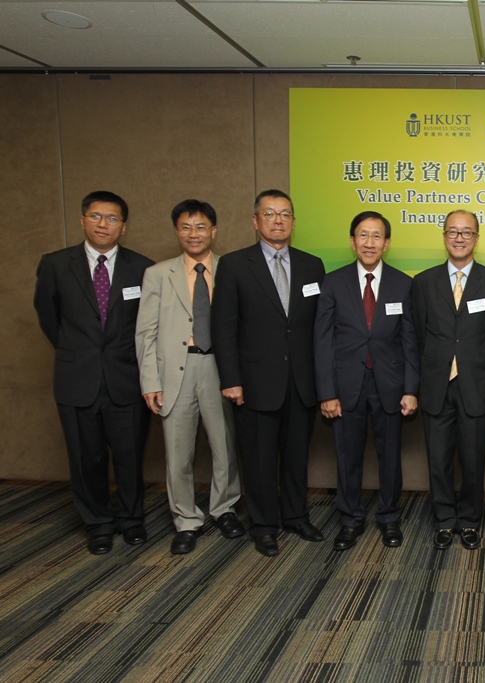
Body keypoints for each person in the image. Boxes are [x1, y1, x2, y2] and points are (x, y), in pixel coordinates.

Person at [34, 191, 154, 555]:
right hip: (77, 377)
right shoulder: (56, 264)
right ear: (83, 220)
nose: (104, 224)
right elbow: (48, 318)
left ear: (124, 226)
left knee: (130, 455)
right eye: (97, 217)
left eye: (113, 218)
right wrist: (79, 353)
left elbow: (146, 325)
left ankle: (132, 519)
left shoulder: (142, 267)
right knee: (86, 457)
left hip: (126, 378)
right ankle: (98, 523)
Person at [211, 189, 326, 557]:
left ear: (294, 221)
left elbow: (317, 328)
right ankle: (263, 525)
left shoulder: (312, 265)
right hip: (254, 382)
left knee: (296, 455)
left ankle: (295, 515)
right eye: (270, 214)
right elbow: (223, 328)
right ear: (255, 220)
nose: (278, 221)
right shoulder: (233, 265)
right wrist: (230, 379)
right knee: (259, 458)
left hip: (301, 382)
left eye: (285, 214)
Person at [135, 200, 243, 554]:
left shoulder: (232, 269)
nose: (193, 234)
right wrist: (150, 381)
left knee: (224, 444)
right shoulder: (157, 274)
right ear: (176, 231)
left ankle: (224, 507)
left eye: (200, 227)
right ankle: (185, 519)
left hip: (219, 366)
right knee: (177, 451)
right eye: (185, 227)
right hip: (175, 371)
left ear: (214, 230)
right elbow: (145, 333)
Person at [314, 211, 419, 551]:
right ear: (352, 240)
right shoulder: (333, 282)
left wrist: (410, 388)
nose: (369, 243)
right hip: (346, 387)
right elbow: (323, 341)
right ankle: (350, 519)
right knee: (348, 456)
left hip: (389, 385)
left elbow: (410, 341)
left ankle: (389, 518)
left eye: (377, 236)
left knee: (390, 457)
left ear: (386, 243)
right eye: (363, 235)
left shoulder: (404, 284)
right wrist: (327, 392)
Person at [412, 210, 485, 550]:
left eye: (467, 232)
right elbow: (416, 336)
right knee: (438, 462)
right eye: (453, 231)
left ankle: (469, 520)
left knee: (473, 460)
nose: (459, 237)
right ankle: (443, 519)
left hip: (477, 385)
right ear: (443, 236)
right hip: (436, 385)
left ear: (477, 238)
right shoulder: (423, 283)